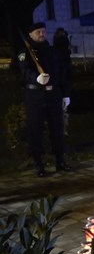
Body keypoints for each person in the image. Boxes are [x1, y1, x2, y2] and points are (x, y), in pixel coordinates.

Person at [16, 22, 72, 176]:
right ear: (31, 34)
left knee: (57, 128)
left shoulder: (53, 51)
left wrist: (65, 94)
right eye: (38, 32)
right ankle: (38, 163)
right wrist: (36, 78)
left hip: (53, 94)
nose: (42, 34)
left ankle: (60, 160)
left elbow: (62, 74)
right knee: (36, 130)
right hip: (35, 95)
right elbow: (25, 71)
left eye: (43, 32)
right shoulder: (25, 52)